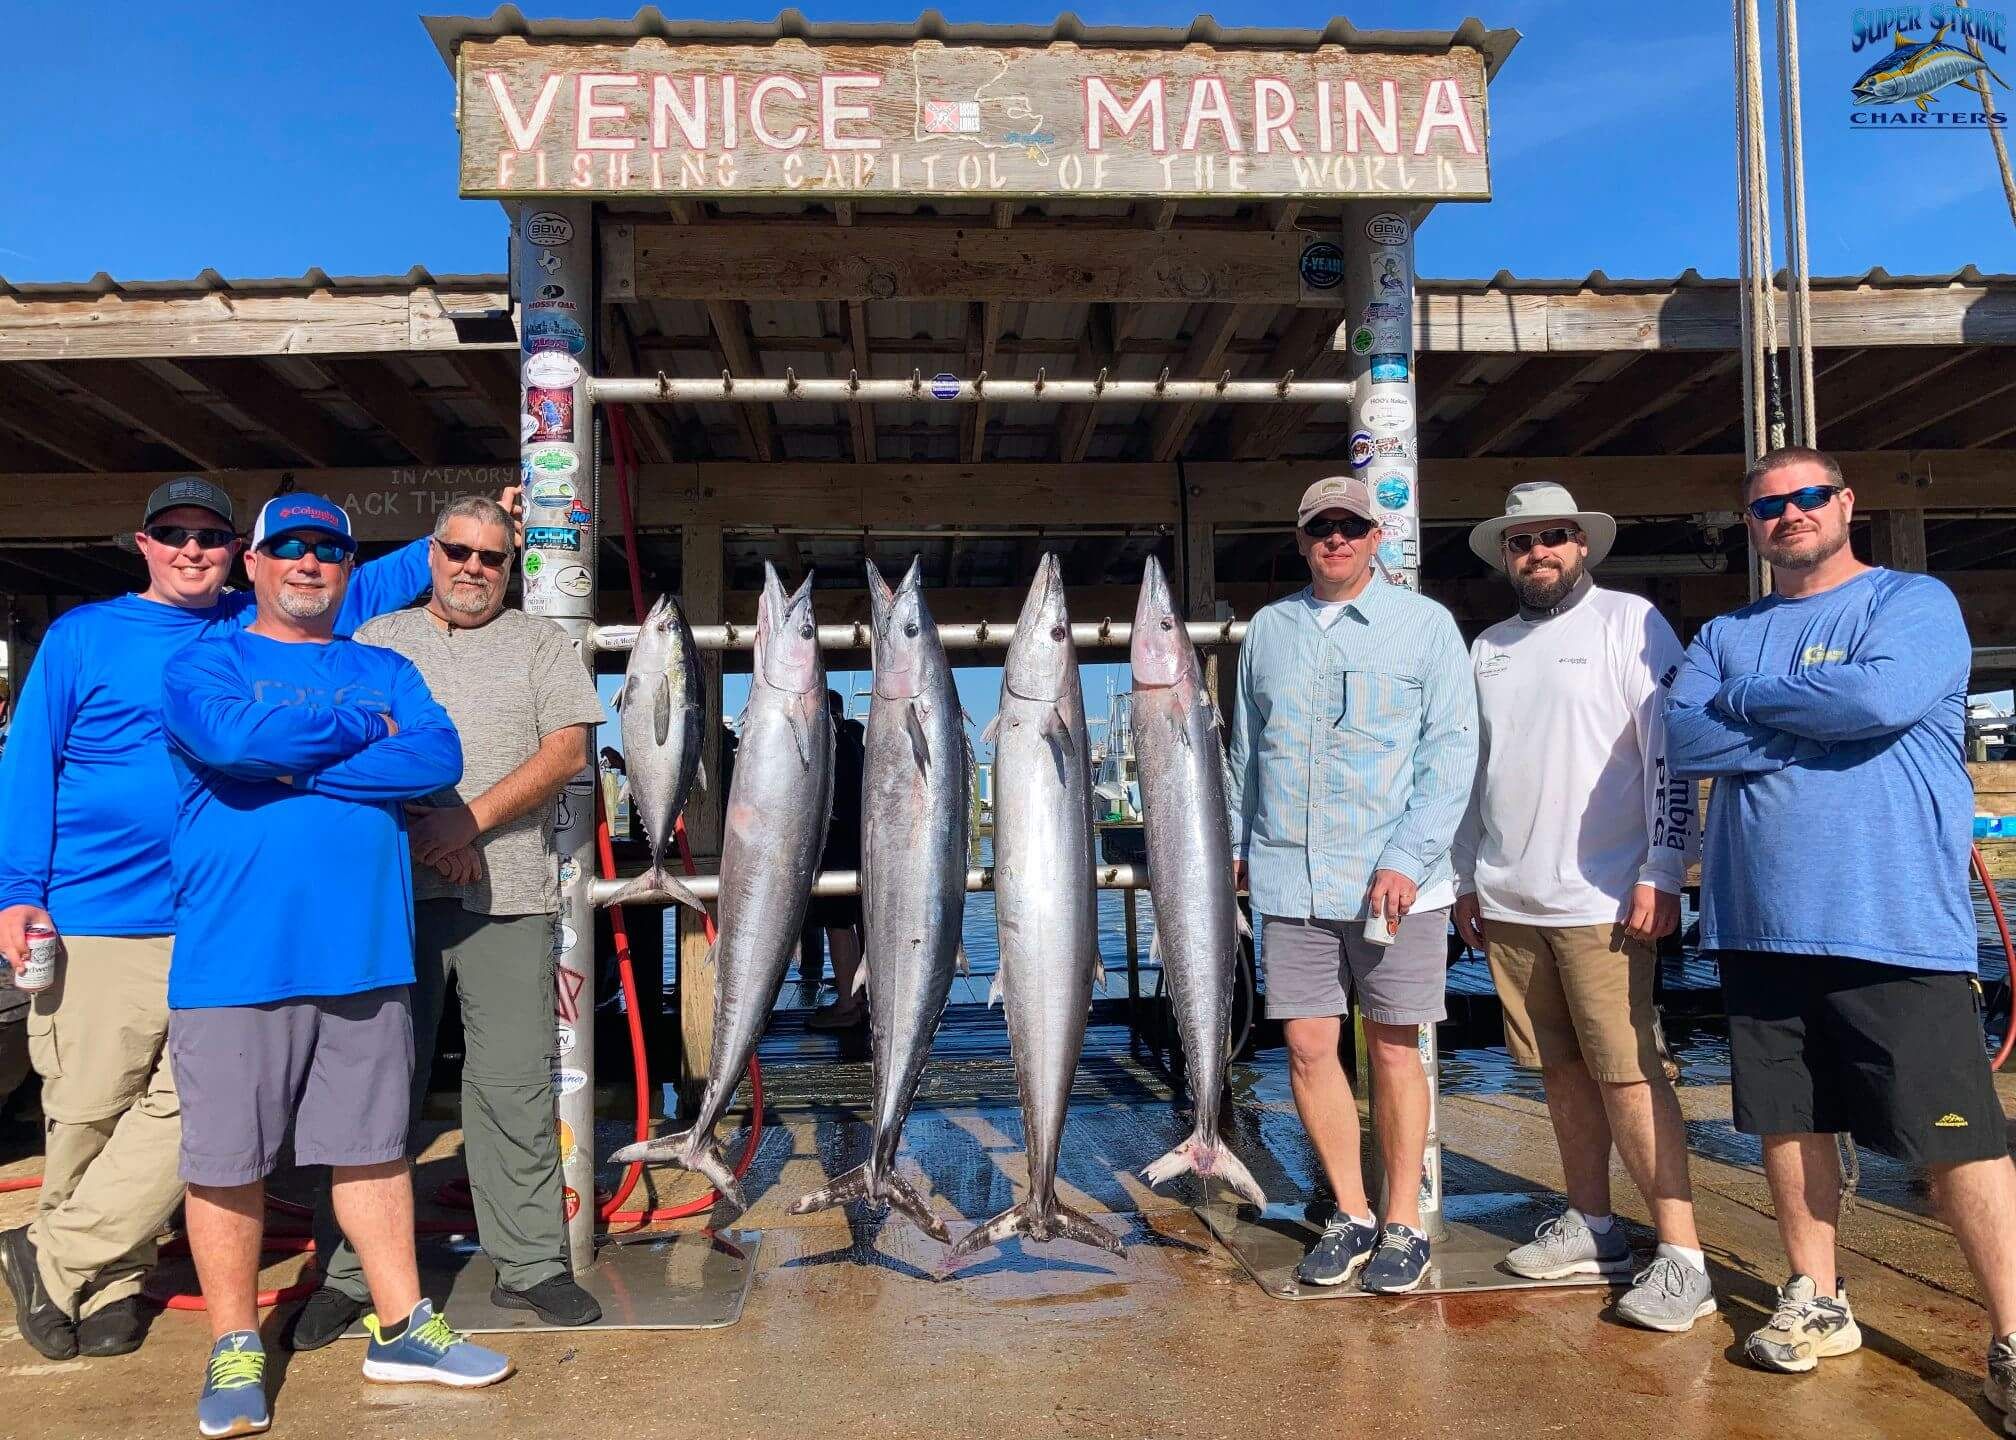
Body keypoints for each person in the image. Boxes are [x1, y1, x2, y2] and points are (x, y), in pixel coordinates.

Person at [0, 477, 515, 1362]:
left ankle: (90, 1264)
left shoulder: (273, 622)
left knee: (181, 1123)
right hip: (105, 908)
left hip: (221, 911)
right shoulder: (96, 637)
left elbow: (390, 609)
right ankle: (78, 1270)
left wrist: (460, 540)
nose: (192, 549)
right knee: (89, 1108)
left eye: (209, 534)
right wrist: (19, 889)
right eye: (174, 534)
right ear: (147, 543)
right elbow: (34, 763)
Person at [1668, 446, 2016, 1401]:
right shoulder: (1728, 629)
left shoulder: (1912, 604)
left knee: (1955, 1140)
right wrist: (1811, 714)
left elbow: (1882, 696)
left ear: (1846, 503)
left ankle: (2012, 1334)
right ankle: (1817, 1296)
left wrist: (1750, 708)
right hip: (1759, 926)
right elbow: (1686, 733)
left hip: (1894, 923)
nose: (1791, 514)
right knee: (1789, 1126)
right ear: (1752, 523)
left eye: (1809, 496)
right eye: (1769, 505)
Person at [160, 494, 512, 1437]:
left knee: (371, 1149)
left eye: (328, 550)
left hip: (363, 952)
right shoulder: (205, 661)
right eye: (290, 547)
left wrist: (292, 767)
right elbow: (230, 740)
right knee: (226, 1161)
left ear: (350, 567)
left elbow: (435, 755)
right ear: (253, 563)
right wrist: (361, 737)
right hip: (234, 957)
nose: (309, 563)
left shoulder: (385, 664)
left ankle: (401, 1326)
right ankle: (236, 1344)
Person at [292, 497, 606, 1345]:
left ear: (511, 568)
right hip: (387, 899)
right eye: (458, 551)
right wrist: (437, 831)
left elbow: (567, 751)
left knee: (513, 1086)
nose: (473, 567)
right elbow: (345, 747)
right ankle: (348, 1273)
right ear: (431, 554)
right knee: (370, 1092)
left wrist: (467, 825)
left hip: (511, 898)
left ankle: (532, 1263)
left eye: (492, 557)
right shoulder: (378, 641)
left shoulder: (544, 644)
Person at [1452, 482, 1711, 1331]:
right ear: (1506, 556)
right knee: (1558, 1072)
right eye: (1522, 542)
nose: (1539, 553)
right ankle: (1595, 1226)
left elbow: (1670, 750)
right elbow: (1468, 775)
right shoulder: (1486, 645)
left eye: (1554, 537)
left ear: (1583, 546)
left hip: (1606, 896)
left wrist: (1664, 867)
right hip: (1510, 898)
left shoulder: (1631, 623)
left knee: (1631, 1072)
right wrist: (1461, 878)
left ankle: (1682, 1255)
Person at [1228, 474, 1477, 1294]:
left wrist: (1409, 857)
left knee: (1396, 1048)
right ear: (1301, 540)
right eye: (1320, 527)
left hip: (1393, 882)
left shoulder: (1427, 627)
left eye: (1350, 526)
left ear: (1377, 537)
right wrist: (1236, 843)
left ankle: (1403, 1220)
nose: (1335, 538)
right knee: (1306, 1048)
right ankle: (1351, 1210)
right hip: (1288, 875)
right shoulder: (1267, 630)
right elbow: (1245, 756)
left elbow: (1450, 756)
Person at [806, 691, 868, 1028]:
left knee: (838, 929)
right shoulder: (855, 746)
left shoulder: (835, 750)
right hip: (858, 852)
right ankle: (858, 997)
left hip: (837, 853)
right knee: (854, 926)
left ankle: (847, 1005)